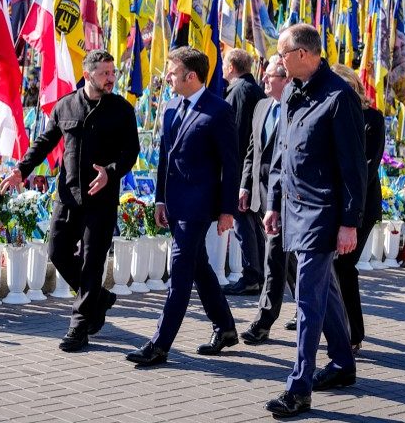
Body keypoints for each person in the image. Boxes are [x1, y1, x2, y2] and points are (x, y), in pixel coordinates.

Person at [1, 50, 140, 353]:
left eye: (112, 72)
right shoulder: (65, 106)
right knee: (58, 251)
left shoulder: (122, 109)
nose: (111, 78)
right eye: (104, 73)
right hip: (68, 197)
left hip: (101, 199)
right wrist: (21, 170)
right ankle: (98, 298)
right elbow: (45, 142)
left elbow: (131, 152)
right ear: (88, 74)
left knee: (92, 262)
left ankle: (79, 326)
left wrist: (111, 172)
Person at [263, 24, 367, 417]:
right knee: (326, 292)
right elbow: (283, 153)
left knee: (307, 299)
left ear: (303, 54)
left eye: (283, 54)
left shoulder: (339, 97)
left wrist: (349, 222)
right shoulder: (292, 90)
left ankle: (299, 388)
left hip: (323, 213)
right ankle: (342, 363)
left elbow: (353, 168)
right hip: (293, 209)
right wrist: (273, 203)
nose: (278, 61)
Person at [126, 47, 240, 367]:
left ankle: (159, 344)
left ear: (191, 76)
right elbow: (166, 156)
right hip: (174, 204)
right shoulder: (171, 107)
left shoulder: (219, 110)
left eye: (172, 72)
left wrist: (227, 210)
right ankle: (225, 327)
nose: (167, 77)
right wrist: (160, 199)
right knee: (198, 266)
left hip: (199, 206)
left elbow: (231, 165)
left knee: (179, 272)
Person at [238, 55, 296, 344]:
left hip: (286, 198)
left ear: (285, 79)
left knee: (274, 259)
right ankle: (313, 307)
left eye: (270, 75)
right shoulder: (262, 106)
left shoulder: (295, 107)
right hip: (261, 196)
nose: (263, 79)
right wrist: (245, 185)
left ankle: (263, 321)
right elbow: (253, 149)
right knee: (287, 258)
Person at [330, 64, 386, 355]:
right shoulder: (331, 114)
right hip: (332, 203)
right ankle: (333, 324)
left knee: (344, 266)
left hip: (361, 205)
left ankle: (354, 333)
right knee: (329, 267)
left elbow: (368, 165)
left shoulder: (372, 118)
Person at [222, 48, 266, 295]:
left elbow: (236, 134)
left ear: (231, 67)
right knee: (251, 222)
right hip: (251, 168)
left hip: (241, 169)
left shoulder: (239, 91)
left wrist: (235, 175)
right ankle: (257, 275)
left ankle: (251, 275)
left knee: (243, 223)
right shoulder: (255, 89)